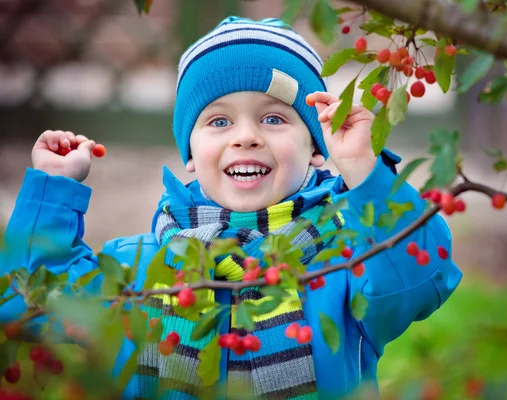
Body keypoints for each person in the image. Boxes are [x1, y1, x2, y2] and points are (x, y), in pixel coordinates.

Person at [0, 16, 462, 400]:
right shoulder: (137, 270)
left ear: (318, 149)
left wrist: (364, 169)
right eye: (219, 120)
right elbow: (28, 299)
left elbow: (419, 276)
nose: (245, 136)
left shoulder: (344, 264)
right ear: (189, 153)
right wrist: (54, 188)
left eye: (274, 118)